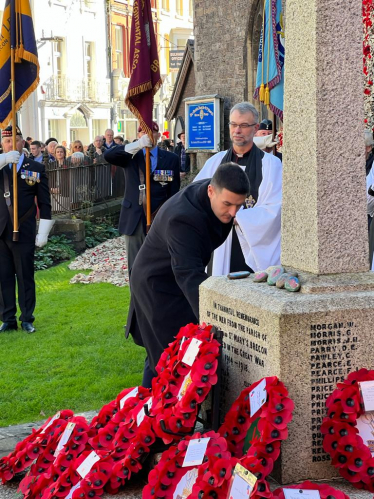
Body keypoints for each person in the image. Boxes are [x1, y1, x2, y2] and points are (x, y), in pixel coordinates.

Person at [126, 163, 250, 386]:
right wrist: (213, 320)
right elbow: (188, 275)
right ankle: (159, 415)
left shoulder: (214, 195)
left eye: (239, 206)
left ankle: (152, 411)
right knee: (171, 359)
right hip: (158, 287)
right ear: (211, 191)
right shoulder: (183, 219)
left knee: (166, 355)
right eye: (228, 204)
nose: (233, 213)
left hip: (177, 276)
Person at [194, 102, 282, 275]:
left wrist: (238, 217)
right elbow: (196, 197)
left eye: (243, 125)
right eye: (233, 124)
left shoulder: (271, 165)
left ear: (255, 128)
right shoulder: (215, 162)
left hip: (250, 243)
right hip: (218, 241)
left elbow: (276, 208)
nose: (237, 130)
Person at [104, 121, 180, 272]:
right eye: (143, 132)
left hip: (159, 216)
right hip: (135, 217)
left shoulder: (171, 159)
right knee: (135, 266)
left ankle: (155, 295)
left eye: (152, 132)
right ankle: (136, 296)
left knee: (159, 265)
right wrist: (137, 145)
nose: (148, 135)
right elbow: (109, 155)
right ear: (139, 135)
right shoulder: (131, 156)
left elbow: (174, 192)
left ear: (158, 135)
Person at [0, 126, 54, 333]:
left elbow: (45, 203)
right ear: (2, 144)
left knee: (25, 276)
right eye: (7, 142)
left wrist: (43, 232)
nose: (11, 145)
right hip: (1, 231)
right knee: (3, 277)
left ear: (23, 143)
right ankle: (7, 318)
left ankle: (27, 318)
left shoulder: (35, 168)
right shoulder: (1, 165)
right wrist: (5, 160)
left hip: (24, 229)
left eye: (16, 141)